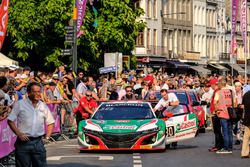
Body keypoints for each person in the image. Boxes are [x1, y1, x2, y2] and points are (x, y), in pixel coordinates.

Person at [7, 82, 55, 167]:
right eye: (34, 92)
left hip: (38, 143)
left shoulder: (43, 106)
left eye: (39, 91)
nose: (38, 94)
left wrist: (47, 137)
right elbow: (10, 120)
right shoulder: (20, 104)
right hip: (23, 143)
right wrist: (19, 134)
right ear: (28, 93)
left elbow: (51, 122)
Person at [214, 78, 234, 154]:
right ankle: (230, 147)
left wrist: (216, 110)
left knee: (225, 131)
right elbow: (234, 102)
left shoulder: (218, 92)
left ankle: (226, 148)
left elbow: (215, 102)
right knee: (230, 131)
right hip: (231, 113)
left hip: (222, 113)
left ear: (220, 84)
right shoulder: (231, 92)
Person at [241, 90, 250, 158]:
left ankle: (244, 153)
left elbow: (243, 106)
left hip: (247, 119)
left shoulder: (246, 94)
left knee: (246, 137)